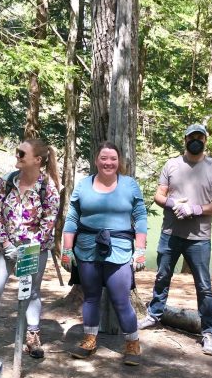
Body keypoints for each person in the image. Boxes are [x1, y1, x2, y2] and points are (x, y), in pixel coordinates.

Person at [137, 123, 212, 355]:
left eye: (200, 136)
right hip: (170, 234)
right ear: (185, 139)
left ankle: (208, 331)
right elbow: (159, 194)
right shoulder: (172, 164)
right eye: (191, 137)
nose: (195, 140)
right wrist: (172, 203)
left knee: (204, 286)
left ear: (206, 140)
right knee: (162, 276)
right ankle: (154, 314)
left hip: (199, 238)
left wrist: (196, 209)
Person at [0, 138, 61, 359]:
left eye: (22, 153)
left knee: (31, 293)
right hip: (3, 249)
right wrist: (7, 245)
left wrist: (31, 247)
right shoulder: (7, 182)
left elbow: (49, 223)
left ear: (37, 160)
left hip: (33, 252)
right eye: (17, 152)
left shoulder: (47, 189)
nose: (17, 156)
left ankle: (32, 336)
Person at [63, 142, 148, 366]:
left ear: (119, 161)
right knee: (90, 296)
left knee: (120, 299)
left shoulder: (130, 185)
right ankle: (89, 339)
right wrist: (66, 249)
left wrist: (140, 250)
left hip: (119, 248)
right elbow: (72, 219)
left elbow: (140, 217)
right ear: (96, 160)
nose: (108, 162)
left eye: (112, 158)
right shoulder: (83, 185)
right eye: (103, 158)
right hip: (86, 247)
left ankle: (132, 343)